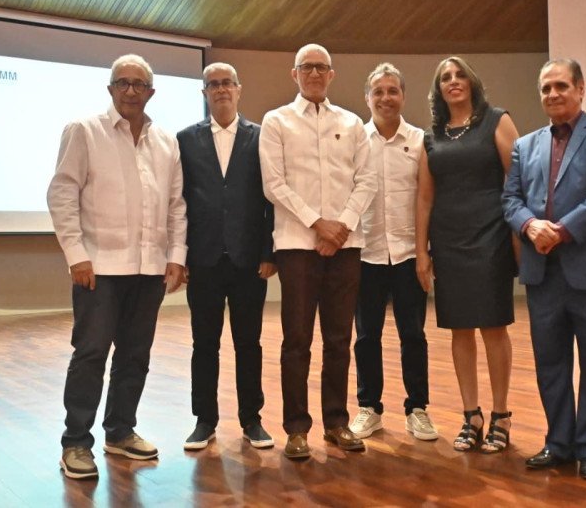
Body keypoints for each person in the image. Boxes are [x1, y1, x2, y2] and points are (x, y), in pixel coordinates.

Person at [47, 54, 187, 480]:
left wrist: (176, 256)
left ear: (151, 92)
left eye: (138, 84)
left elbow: (176, 205)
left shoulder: (166, 142)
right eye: (122, 83)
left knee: (135, 355)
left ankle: (120, 431)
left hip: (150, 268)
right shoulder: (84, 131)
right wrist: (76, 254)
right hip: (99, 267)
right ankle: (76, 442)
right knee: (91, 354)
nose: (130, 90)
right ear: (110, 89)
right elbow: (62, 193)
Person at [501, 58, 586, 480]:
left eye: (561, 85)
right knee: (551, 364)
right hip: (543, 274)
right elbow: (510, 199)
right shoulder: (525, 145)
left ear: (580, 89)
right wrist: (528, 224)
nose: (553, 94)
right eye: (546, 88)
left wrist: (560, 231)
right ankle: (559, 442)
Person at [258, 43, 377, 459]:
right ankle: (296, 429)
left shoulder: (352, 122)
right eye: (306, 67)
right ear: (294, 74)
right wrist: (318, 224)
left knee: (340, 339)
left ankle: (337, 422)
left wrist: (340, 226)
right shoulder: (276, 121)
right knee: (297, 339)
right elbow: (274, 184)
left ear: (331, 74)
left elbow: (367, 181)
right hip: (297, 245)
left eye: (321, 67)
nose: (313, 73)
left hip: (346, 245)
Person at [415, 56, 518, 455]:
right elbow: (425, 198)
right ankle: (471, 415)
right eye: (445, 77)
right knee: (460, 329)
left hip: (491, 236)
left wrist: (519, 233)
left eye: (459, 75)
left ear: (472, 82)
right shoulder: (432, 137)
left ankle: (501, 415)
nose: (453, 81)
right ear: (438, 89)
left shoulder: (496, 120)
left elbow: (517, 178)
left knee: (493, 326)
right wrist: (422, 252)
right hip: (449, 241)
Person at [176, 62, 276, 451]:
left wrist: (268, 252)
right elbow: (179, 200)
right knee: (204, 344)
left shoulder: (262, 137)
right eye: (212, 84)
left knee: (249, 344)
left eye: (226, 83)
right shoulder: (185, 139)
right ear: (204, 93)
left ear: (238, 89)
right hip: (202, 261)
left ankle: (252, 420)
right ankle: (204, 420)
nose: (220, 89)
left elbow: (270, 199)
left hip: (249, 261)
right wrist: (181, 254)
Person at [349, 63, 437, 441]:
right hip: (365, 254)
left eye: (392, 91)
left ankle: (417, 409)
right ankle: (369, 408)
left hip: (408, 254)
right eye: (378, 91)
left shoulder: (420, 141)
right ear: (367, 98)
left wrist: (424, 254)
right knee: (366, 336)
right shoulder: (354, 140)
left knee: (413, 335)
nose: (385, 98)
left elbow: (427, 199)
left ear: (403, 96)